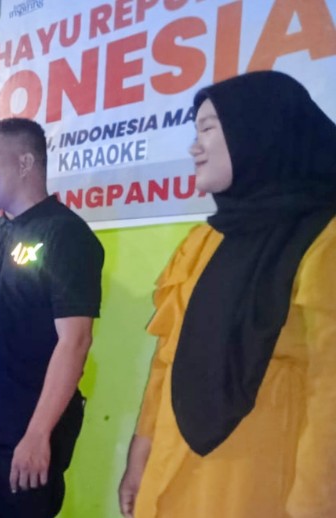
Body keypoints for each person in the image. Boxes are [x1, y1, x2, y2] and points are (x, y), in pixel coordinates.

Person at [117, 71, 336, 518]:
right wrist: (140, 454)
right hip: (170, 473)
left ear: (260, 132)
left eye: (208, 129)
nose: (194, 148)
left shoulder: (323, 241)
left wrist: (315, 505)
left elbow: (330, 392)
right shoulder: (204, 241)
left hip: (256, 487)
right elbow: (167, 360)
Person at [0, 118, 104, 517]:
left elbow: (75, 341)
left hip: (25, 437)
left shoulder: (66, 235)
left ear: (25, 163)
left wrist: (38, 434)